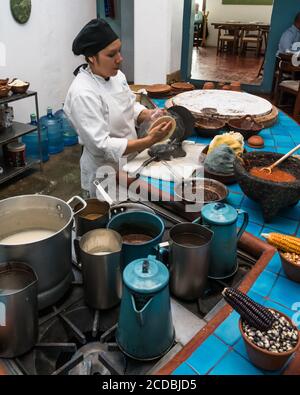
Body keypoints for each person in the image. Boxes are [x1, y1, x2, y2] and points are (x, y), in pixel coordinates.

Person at [64, 19, 172, 197]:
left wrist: (148, 114)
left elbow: (129, 105)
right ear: (92, 57)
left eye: (119, 51)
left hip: (132, 162)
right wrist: (149, 140)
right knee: (110, 218)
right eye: (111, 54)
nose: (120, 59)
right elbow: (102, 146)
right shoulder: (82, 93)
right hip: (104, 171)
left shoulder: (117, 76)